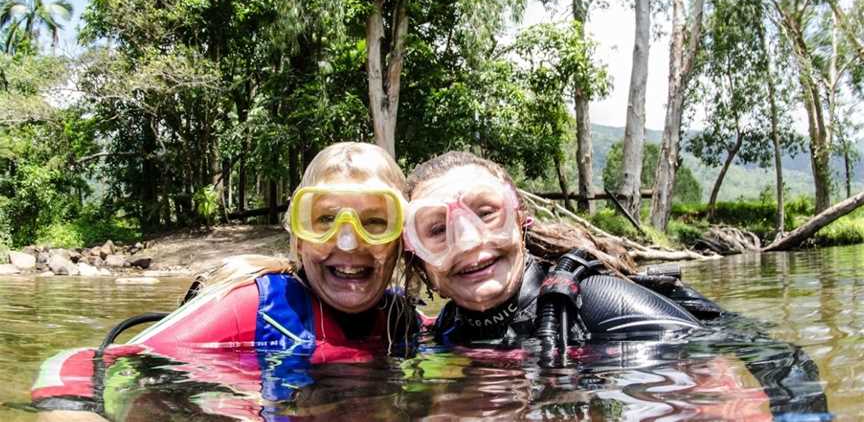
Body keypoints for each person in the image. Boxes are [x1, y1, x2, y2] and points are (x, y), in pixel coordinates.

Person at [31, 141, 417, 420]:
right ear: (298, 237)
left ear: (403, 238)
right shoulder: (255, 308)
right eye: (325, 220)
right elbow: (81, 362)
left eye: (376, 222)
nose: (349, 242)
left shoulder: (404, 323)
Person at [403, 150, 701, 348]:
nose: (467, 241)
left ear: (520, 221)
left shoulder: (599, 304)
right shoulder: (443, 332)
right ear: (422, 265)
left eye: (486, 213)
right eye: (438, 229)